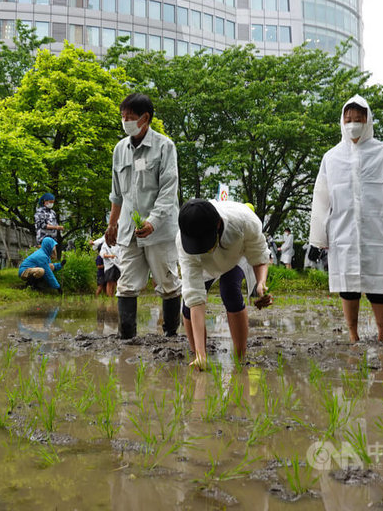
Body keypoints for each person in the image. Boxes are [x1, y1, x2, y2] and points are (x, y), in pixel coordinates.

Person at [309, 95, 383, 343]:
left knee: (379, 287)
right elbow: (322, 198)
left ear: (367, 121)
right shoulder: (332, 157)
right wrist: (319, 236)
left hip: (375, 230)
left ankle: (381, 334)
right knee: (348, 287)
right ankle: (353, 335)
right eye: (348, 119)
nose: (353, 124)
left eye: (358, 119)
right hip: (342, 231)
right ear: (342, 121)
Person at [104, 93, 182, 339]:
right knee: (126, 284)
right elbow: (117, 194)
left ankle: (171, 335)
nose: (125, 121)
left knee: (168, 283)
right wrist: (112, 224)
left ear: (145, 118)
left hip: (159, 231)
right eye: (123, 116)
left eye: (130, 117)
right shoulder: (120, 150)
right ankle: (126, 337)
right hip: (129, 231)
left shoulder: (165, 147)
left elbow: (169, 191)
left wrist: (153, 222)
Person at [177, 199, 270, 370]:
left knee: (230, 290)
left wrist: (260, 283)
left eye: (205, 243)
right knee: (187, 305)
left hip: (236, 257)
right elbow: (194, 296)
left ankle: (239, 358)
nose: (204, 247)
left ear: (218, 225)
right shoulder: (184, 242)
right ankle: (199, 357)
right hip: (203, 265)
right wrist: (201, 354)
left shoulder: (245, 221)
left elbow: (259, 256)